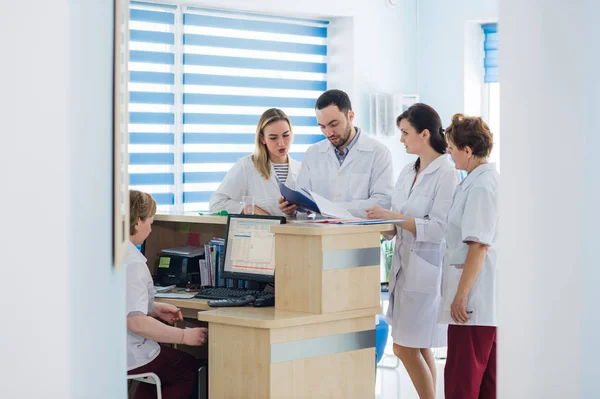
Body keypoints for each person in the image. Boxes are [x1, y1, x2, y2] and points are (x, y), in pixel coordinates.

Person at [366, 104, 460, 399]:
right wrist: (381, 222)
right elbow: (399, 219)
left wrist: (393, 218)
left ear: (425, 133)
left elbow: (439, 228)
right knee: (419, 346)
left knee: (403, 347)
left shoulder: (447, 173)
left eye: (406, 133)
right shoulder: (409, 170)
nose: (402, 139)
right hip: (405, 267)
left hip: (428, 271)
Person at [126, 190, 208, 399]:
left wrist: (151, 308)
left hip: (99, 351)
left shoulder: (107, 252)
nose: (151, 228)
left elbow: (116, 301)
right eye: (150, 222)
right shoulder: (133, 263)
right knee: (184, 366)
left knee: (163, 367)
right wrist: (184, 336)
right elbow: (137, 324)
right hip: (126, 353)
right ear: (137, 222)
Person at [439, 114, 498, 399]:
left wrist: (461, 296)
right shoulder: (477, 181)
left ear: (468, 150)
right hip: (483, 303)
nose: (449, 154)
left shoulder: (482, 186)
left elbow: (479, 245)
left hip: (474, 303)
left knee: (462, 382)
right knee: (487, 383)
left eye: (452, 148)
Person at [278, 89, 392, 217]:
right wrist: (293, 208)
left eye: (334, 124)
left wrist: (331, 208)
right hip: (321, 234)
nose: (329, 133)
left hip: (360, 234)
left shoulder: (378, 152)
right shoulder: (313, 153)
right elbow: (304, 199)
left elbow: (382, 203)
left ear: (350, 116)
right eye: (322, 126)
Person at [209, 108, 301, 216]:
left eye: (286, 135)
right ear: (262, 138)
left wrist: (295, 210)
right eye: (273, 138)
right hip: (261, 232)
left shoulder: (300, 168)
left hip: (294, 232)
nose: (281, 143)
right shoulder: (246, 166)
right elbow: (216, 204)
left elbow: (314, 213)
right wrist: (249, 208)